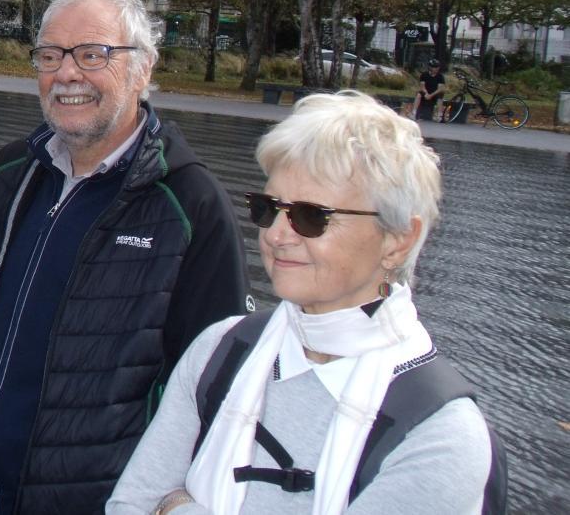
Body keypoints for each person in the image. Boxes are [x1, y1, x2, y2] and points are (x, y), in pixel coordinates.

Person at [0, 0, 251, 515]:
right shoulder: (15, 172)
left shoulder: (188, 206)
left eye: (93, 54)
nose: (67, 73)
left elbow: (215, 384)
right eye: (50, 56)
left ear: (143, 69)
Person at [106, 91, 500, 515]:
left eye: (311, 215)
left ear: (398, 239)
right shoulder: (219, 351)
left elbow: (150, 502)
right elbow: (128, 505)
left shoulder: (439, 434)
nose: (276, 234)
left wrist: (175, 506)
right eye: (268, 208)